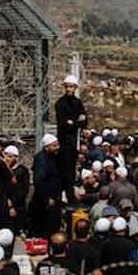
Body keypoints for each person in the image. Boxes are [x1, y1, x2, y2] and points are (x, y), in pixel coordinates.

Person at [55, 75, 88, 205]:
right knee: (65, 169)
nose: (69, 89)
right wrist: (76, 122)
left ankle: (70, 195)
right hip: (64, 141)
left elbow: (85, 120)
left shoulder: (77, 102)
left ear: (75, 88)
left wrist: (73, 123)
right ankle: (66, 195)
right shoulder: (60, 103)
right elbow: (64, 125)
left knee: (71, 169)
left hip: (73, 141)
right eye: (67, 86)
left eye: (72, 86)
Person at [31, 134, 62, 238]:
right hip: (46, 203)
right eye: (54, 146)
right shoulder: (42, 160)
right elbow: (38, 181)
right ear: (46, 147)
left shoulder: (51, 157)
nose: (57, 147)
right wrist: (46, 198)